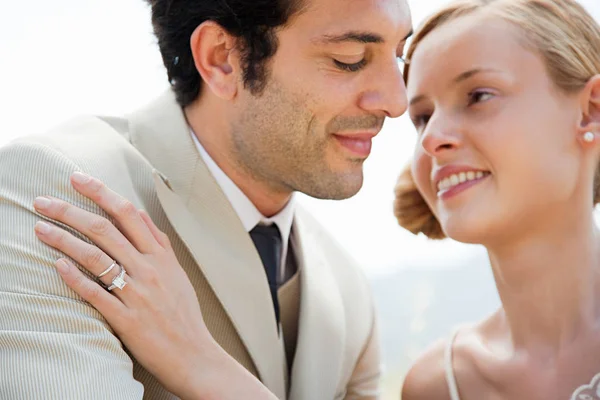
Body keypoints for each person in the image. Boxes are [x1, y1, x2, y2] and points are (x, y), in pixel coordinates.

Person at [0, 0, 413, 399]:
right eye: (350, 58)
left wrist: (205, 371)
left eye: (398, 57)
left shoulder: (348, 290)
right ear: (221, 59)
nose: (397, 103)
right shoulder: (61, 192)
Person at [393, 0, 600, 398]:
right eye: (421, 117)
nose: (433, 138)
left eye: (478, 95)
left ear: (591, 112)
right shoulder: (436, 387)